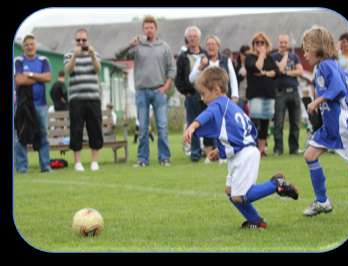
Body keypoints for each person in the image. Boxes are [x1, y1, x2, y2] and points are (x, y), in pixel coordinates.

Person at [183, 67, 299, 229]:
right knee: (230, 192)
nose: (202, 98)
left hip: (244, 155)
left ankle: (276, 184)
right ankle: (257, 222)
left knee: (240, 196)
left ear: (216, 90)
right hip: (243, 152)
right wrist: (221, 151)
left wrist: (193, 126)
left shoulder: (219, 103)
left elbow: (207, 115)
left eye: (203, 93)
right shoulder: (231, 106)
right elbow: (242, 131)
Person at [301, 25, 348, 216]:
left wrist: (319, 100)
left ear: (319, 48)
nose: (305, 54)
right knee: (309, 155)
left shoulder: (327, 65)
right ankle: (322, 201)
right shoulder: (324, 67)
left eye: (307, 50)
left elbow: (340, 87)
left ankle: (322, 200)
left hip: (342, 127)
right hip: (330, 127)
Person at [125, 15, 176, 167]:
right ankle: (142, 159)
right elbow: (122, 56)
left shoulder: (164, 46)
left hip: (159, 91)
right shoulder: (138, 46)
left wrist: (166, 86)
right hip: (141, 91)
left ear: (156, 29)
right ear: (143, 29)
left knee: (162, 126)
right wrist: (131, 45)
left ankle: (164, 158)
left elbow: (171, 68)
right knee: (142, 127)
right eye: (146, 28)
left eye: (151, 28)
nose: (148, 30)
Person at [175, 26, 216, 162]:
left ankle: (210, 151)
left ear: (199, 39)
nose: (192, 39)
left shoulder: (206, 55)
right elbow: (179, 79)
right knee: (192, 124)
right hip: (191, 94)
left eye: (195, 36)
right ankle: (195, 153)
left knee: (209, 122)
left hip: (207, 94)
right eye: (190, 36)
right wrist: (185, 92)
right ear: (187, 39)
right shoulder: (182, 57)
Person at [64, 28, 103, 171]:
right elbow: (68, 71)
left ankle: (94, 162)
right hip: (76, 99)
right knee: (76, 129)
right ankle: (78, 162)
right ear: (74, 41)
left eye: (84, 40)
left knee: (95, 129)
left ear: (88, 40)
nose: (81, 43)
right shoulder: (69, 54)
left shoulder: (95, 53)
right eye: (78, 40)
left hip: (93, 98)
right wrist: (75, 56)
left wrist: (92, 54)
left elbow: (98, 69)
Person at [14, 34, 52, 173]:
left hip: (40, 104)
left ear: (35, 46)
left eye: (31, 44)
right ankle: (22, 168)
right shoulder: (18, 60)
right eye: (26, 45)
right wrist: (38, 77)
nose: (29, 46)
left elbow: (48, 77)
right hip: (23, 105)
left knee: (43, 134)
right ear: (23, 47)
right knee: (21, 135)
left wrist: (29, 74)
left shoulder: (43, 60)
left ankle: (45, 166)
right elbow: (19, 80)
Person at [245, 32, 279, 156]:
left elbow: (277, 72)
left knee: (265, 122)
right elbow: (256, 67)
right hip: (255, 94)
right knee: (255, 121)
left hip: (269, 94)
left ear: (266, 44)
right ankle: (252, 148)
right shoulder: (249, 57)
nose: (259, 45)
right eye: (257, 42)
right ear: (253, 45)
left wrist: (265, 73)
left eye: (262, 42)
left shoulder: (270, 58)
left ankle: (261, 149)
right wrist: (261, 55)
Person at [271, 34, 304, 155]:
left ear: (288, 43)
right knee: (278, 122)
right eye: (281, 42)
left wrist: (287, 72)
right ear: (278, 43)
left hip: (294, 91)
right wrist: (285, 58)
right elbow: (279, 69)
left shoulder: (294, 56)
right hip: (280, 93)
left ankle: (294, 148)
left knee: (295, 122)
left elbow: (300, 71)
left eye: (285, 42)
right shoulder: (273, 56)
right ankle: (278, 149)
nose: (283, 45)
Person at [189, 34, 239, 104]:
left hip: (223, 98)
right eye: (208, 45)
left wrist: (235, 96)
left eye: (213, 44)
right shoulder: (201, 59)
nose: (210, 47)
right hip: (205, 100)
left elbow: (233, 79)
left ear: (218, 46)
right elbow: (191, 79)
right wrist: (200, 67)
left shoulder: (226, 60)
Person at [235, 45, 250, 114]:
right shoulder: (236, 65)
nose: (247, 56)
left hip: (250, 95)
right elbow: (234, 80)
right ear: (241, 54)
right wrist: (241, 75)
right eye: (245, 54)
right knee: (239, 114)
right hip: (239, 95)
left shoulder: (252, 64)